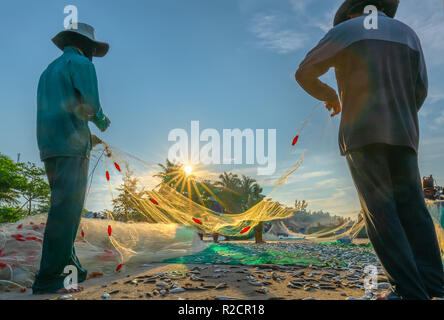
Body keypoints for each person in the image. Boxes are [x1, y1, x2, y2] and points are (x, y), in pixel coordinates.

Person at [295, 0, 444, 300]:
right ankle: (437, 289)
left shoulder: (347, 30)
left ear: (353, 11)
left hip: (362, 135)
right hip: (404, 135)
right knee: (414, 211)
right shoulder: (409, 34)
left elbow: (305, 72)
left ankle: (408, 292)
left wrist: (331, 96)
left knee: (381, 213)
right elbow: (421, 89)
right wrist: (399, 114)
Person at [33, 23, 111, 294]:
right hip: (72, 146)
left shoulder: (48, 71)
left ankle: (73, 271)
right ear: (88, 46)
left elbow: (61, 108)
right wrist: (101, 122)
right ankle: (49, 278)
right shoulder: (82, 64)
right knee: (65, 214)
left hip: (49, 147)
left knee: (65, 209)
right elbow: (90, 105)